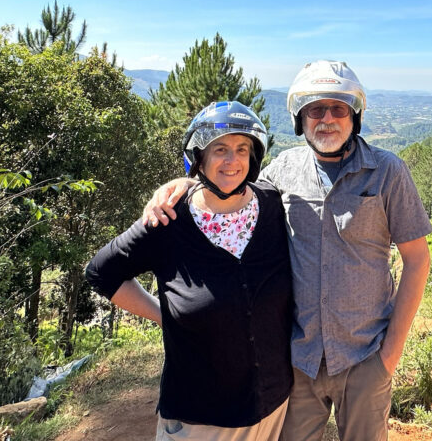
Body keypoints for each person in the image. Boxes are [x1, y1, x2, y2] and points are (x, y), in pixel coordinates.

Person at [144, 61, 432, 441]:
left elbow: (417, 260)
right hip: (298, 361)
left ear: (355, 115)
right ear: (300, 118)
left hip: (365, 356)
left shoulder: (387, 172)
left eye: (338, 108)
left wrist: (388, 358)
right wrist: (182, 183)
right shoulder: (283, 171)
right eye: (315, 109)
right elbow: (231, 189)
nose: (327, 119)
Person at [87, 101, 293, 441]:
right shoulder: (169, 219)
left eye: (242, 149)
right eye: (220, 150)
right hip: (200, 416)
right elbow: (101, 272)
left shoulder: (272, 205)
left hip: (271, 405)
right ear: (199, 158)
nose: (233, 160)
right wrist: (165, 315)